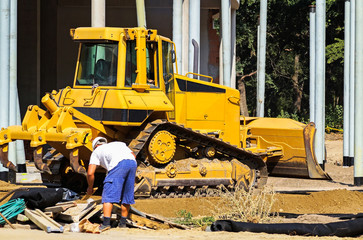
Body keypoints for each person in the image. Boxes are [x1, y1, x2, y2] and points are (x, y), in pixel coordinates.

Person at [87, 137, 137, 231]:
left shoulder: (96, 151)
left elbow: (90, 173)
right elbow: (133, 156)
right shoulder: (119, 144)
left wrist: (90, 187)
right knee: (126, 196)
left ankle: (106, 224)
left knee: (108, 195)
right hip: (132, 164)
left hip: (118, 165)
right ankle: (122, 224)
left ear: (95, 146)